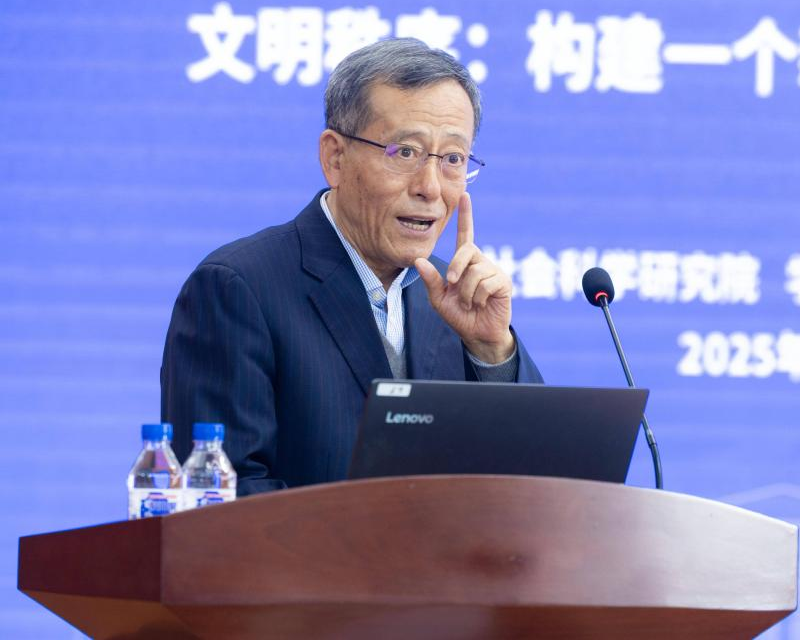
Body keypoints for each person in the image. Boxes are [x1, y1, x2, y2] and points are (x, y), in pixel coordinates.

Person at [160, 39, 542, 496]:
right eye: (405, 152)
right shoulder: (237, 289)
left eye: (453, 159)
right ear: (335, 158)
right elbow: (222, 497)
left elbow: (530, 485)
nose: (430, 187)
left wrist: (491, 351)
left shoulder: (456, 296)